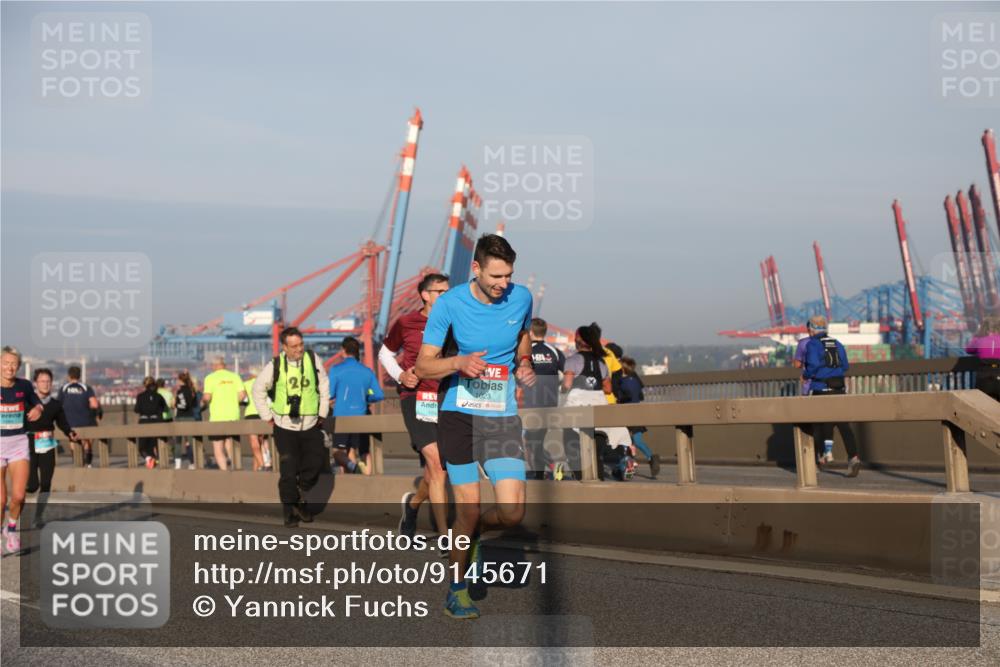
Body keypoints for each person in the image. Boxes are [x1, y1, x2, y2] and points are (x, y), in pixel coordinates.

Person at [416, 233, 535, 620]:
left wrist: (525, 362)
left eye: (509, 275)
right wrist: (458, 363)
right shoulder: (450, 304)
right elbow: (422, 365)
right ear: (476, 269)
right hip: (459, 416)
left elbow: (522, 336)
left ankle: (474, 535)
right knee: (468, 509)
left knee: (512, 512)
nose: (504, 284)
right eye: (496, 276)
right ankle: (456, 589)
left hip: (501, 416)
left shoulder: (521, 298)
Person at [379, 273, 451, 539]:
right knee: (438, 465)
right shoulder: (406, 322)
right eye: (440, 291)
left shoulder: (455, 321)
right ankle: (446, 537)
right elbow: (385, 352)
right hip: (417, 397)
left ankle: (412, 505)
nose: (446, 295)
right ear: (425, 295)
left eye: (448, 291)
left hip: (446, 398)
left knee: (437, 468)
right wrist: (400, 376)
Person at [253, 327, 331, 528]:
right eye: (294, 346)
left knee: (315, 464)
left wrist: (322, 412)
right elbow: (258, 389)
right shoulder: (275, 365)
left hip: (311, 424)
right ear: (285, 347)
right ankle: (289, 511)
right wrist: (267, 416)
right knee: (288, 470)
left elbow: (323, 386)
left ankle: (299, 495)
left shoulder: (312, 359)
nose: (299, 349)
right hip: (284, 426)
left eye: (301, 344)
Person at [562, 325, 636, 481]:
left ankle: (581, 481)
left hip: (577, 406)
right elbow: (608, 389)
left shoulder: (573, 360)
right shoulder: (601, 362)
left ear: (577, 341)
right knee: (596, 454)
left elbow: (567, 385)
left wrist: (561, 389)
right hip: (598, 404)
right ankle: (599, 482)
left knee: (573, 448)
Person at [802, 315, 861, 477]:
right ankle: (853, 458)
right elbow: (845, 366)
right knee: (844, 426)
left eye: (809, 329)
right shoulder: (837, 343)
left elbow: (813, 366)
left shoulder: (813, 344)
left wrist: (805, 375)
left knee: (817, 424)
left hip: (821, 389)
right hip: (839, 389)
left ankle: (821, 457)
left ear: (812, 329)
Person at [1, 346, 43, 554]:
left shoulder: (24, 385)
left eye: (13, 364)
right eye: (6, 363)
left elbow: (37, 403)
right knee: (1, 500)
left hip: (18, 442)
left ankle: (11, 529)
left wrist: (37, 409)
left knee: (18, 496)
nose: (10, 367)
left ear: (18, 367)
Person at [26, 368, 77, 526]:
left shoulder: (55, 404)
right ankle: (18, 498)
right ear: (36, 383)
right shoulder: (28, 402)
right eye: (42, 381)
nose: (46, 384)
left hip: (47, 444)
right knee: (32, 485)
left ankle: (38, 517)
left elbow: (62, 422)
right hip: (29, 443)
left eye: (48, 381)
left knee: (46, 483)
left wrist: (70, 432)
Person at [329, 337, 384, 475]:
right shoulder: (367, 371)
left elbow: (330, 394)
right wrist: (365, 398)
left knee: (339, 452)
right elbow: (378, 395)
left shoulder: (336, 370)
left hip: (341, 417)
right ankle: (368, 481)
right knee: (362, 451)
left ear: (343, 350)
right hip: (361, 416)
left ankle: (353, 469)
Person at [520, 318, 565, 480]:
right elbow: (564, 374)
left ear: (530, 332)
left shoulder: (526, 352)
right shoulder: (554, 351)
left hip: (530, 403)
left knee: (529, 442)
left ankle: (545, 469)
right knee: (537, 440)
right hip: (550, 404)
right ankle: (543, 470)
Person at [619, 356, 661, 478]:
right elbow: (640, 395)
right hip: (637, 411)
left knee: (623, 441)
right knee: (637, 441)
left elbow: (622, 396)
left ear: (623, 368)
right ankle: (651, 457)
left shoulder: (622, 381)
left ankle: (628, 465)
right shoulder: (635, 379)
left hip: (625, 413)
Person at [201, 357, 246, 470]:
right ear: (224, 365)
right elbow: (242, 395)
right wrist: (232, 401)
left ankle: (224, 472)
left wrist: (202, 402)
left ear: (214, 366)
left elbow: (207, 397)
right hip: (233, 416)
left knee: (218, 446)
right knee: (231, 445)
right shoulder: (235, 376)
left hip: (217, 418)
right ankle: (236, 470)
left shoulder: (210, 378)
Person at [58, 365, 99, 467]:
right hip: (86, 421)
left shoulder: (64, 389)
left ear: (69, 376)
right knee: (87, 442)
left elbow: (58, 405)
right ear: (79, 376)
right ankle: (88, 463)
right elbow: (94, 404)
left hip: (70, 422)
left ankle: (77, 463)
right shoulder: (86, 388)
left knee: (73, 442)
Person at [134, 377, 167, 468]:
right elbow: (165, 408)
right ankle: (155, 460)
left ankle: (149, 459)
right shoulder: (159, 396)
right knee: (155, 444)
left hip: (144, 422)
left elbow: (136, 409)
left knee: (142, 447)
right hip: (156, 422)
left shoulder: (140, 396)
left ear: (145, 385)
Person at [965, 315, 1000, 401]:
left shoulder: (979, 340)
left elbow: (968, 350)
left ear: (984, 328)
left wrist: (977, 336)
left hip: (984, 376)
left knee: (981, 403)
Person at [243, 374, 271, 471]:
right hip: (264, 413)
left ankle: (262, 465)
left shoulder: (245, 384)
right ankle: (264, 464)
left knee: (254, 441)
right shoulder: (266, 383)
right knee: (263, 441)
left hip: (251, 414)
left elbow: (243, 399)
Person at [174, 371, 199, 467]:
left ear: (181, 380)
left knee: (178, 442)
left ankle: (178, 464)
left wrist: (175, 404)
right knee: (191, 442)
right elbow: (194, 404)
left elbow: (183, 405)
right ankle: (193, 462)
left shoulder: (180, 391)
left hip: (180, 417)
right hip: (190, 417)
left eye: (177, 380)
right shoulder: (192, 391)